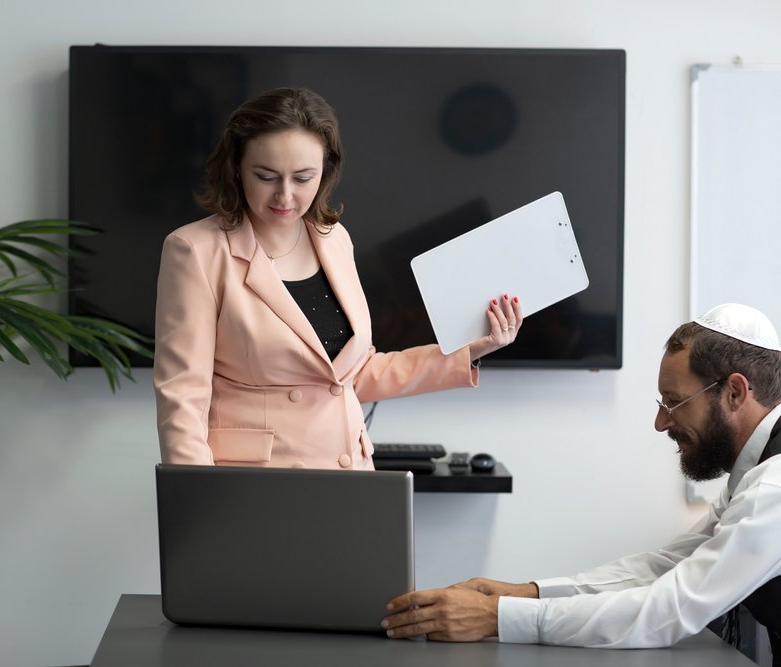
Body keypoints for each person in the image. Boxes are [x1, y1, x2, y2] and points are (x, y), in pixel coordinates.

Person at [382, 303, 781, 664]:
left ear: (734, 393)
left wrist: (494, 618)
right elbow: (664, 568)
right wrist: (526, 593)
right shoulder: (753, 475)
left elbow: (668, 609)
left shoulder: (772, 488)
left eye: (673, 402)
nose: (660, 423)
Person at [153, 87, 522, 469]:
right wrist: (195, 502)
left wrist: (470, 350)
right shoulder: (195, 250)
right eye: (266, 176)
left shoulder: (333, 238)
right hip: (252, 484)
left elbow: (355, 373)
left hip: (347, 473)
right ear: (236, 167)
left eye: (302, 178)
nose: (285, 195)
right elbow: (183, 395)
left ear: (325, 171)